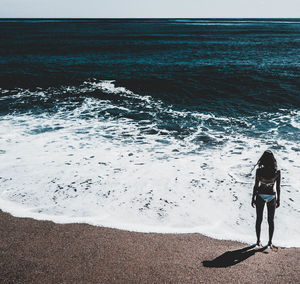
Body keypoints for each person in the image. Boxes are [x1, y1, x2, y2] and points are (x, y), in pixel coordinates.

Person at [251, 150, 280, 248]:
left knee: (259, 219)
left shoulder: (259, 171)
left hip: (260, 195)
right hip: (272, 196)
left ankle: (258, 241)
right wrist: (279, 199)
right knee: (270, 220)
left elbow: (256, 186)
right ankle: (270, 242)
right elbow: (278, 187)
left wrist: (253, 198)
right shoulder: (277, 172)